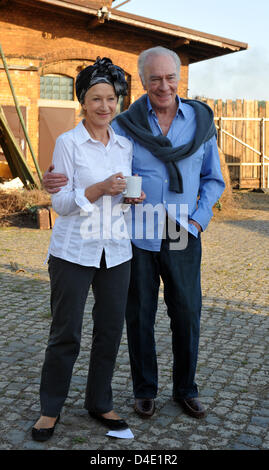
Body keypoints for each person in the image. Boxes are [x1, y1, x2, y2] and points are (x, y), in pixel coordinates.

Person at [43, 46, 225, 421]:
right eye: (155, 78)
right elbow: (86, 157)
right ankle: (145, 390)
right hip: (135, 230)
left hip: (179, 225)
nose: (163, 85)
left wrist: (196, 220)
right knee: (139, 314)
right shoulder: (125, 123)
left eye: (170, 77)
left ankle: (186, 389)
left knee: (186, 311)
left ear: (178, 78)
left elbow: (213, 178)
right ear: (142, 82)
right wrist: (51, 179)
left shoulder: (201, 121)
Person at [32, 57, 144, 442]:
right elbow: (60, 205)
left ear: (118, 101)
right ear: (82, 101)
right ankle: (50, 409)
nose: (104, 107)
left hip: (116, 251)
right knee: (66, 333)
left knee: (110, 330)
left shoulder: (124, 146)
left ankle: (100, 402)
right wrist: (97, 189)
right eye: (95, 98)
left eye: (111, 99)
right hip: (73, 252)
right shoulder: (68, 143)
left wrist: (132, 198)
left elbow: (122, 194)